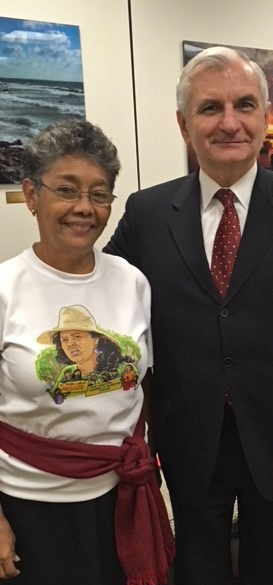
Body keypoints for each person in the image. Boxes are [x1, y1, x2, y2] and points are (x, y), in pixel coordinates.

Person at [105, 46, 273, 585]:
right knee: (198, 569)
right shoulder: (147, 213)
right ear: (183, 123)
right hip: (188, 438)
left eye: (245, 105)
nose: (229, 122)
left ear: (264, 117)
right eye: (210, 108)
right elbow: (103, 296)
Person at [0, 120, 174, 585]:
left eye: (99, 194)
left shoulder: (132, 281)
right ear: (32, 195)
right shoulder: (4, 288)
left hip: (120, 498)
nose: (84, 208)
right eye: (67, 189)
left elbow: (145, 386)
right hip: (29, 506)